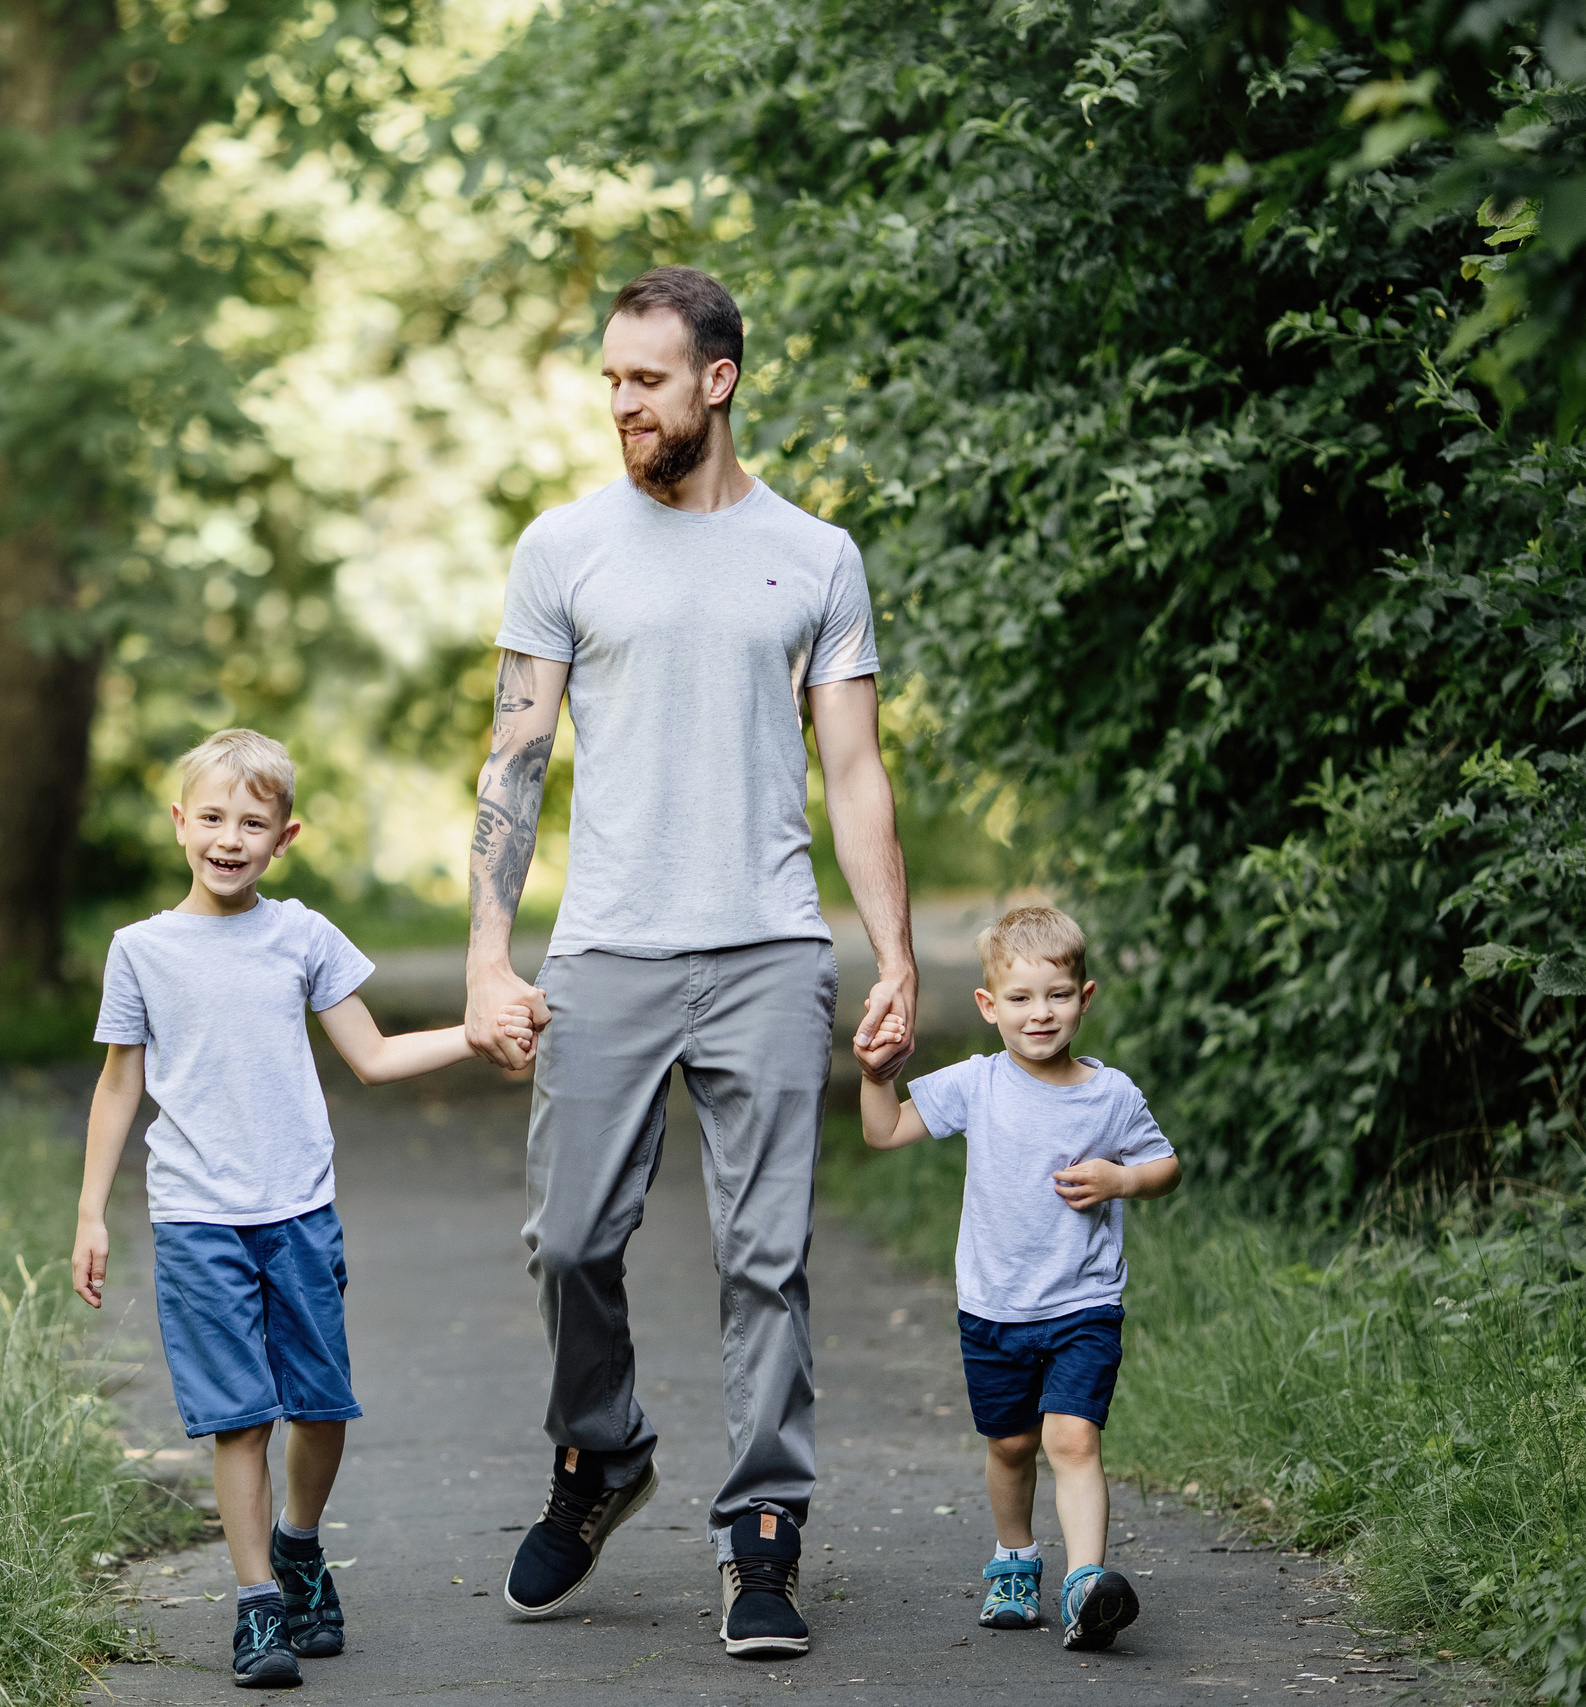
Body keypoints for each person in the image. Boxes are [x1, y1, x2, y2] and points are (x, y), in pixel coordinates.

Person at [464, 264, 919, 1660]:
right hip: (606, 944)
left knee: (767, 1258)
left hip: (771, 946)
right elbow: (515, 759)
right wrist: (491, 953)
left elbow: (853, 768)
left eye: (645, 378)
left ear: (716, 381)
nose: (621, 402)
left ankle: (763, 1531)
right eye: (609, 378)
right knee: (569, 1239)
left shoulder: (818, 554)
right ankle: (600, 1452)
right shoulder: (562, 547)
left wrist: (893, 951)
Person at [73, 727, 545, 1689]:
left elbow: (371, 1057)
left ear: (285, 836)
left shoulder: (302, 935)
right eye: (212, 817)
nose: (229, 838)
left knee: (320, 1409)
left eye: (253, 822)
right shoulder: (141, 951)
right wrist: (90, 1212)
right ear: (179, 824)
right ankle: (256, 1610)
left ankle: (298, 1544)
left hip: (297, 1212)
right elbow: (120, 1085)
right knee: (238, 1419)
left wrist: (472, 1032)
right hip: (196, 1219)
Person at [853, 904, 1182, 1651]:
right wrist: (876, 1075)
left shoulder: (1112, 1093)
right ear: (989, 1005)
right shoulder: (978, 1083)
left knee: (1072, 1438)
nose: (1042, 1013)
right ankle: (1014, 1561)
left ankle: (1086, 1585)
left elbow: (1167, 1165)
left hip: (1083, 1304)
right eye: (1023, 998)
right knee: (1010, 1446)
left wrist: (1120, 1179)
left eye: (1058, 995)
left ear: (1085, 997)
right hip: (995, 1308)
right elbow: (883, 1130)